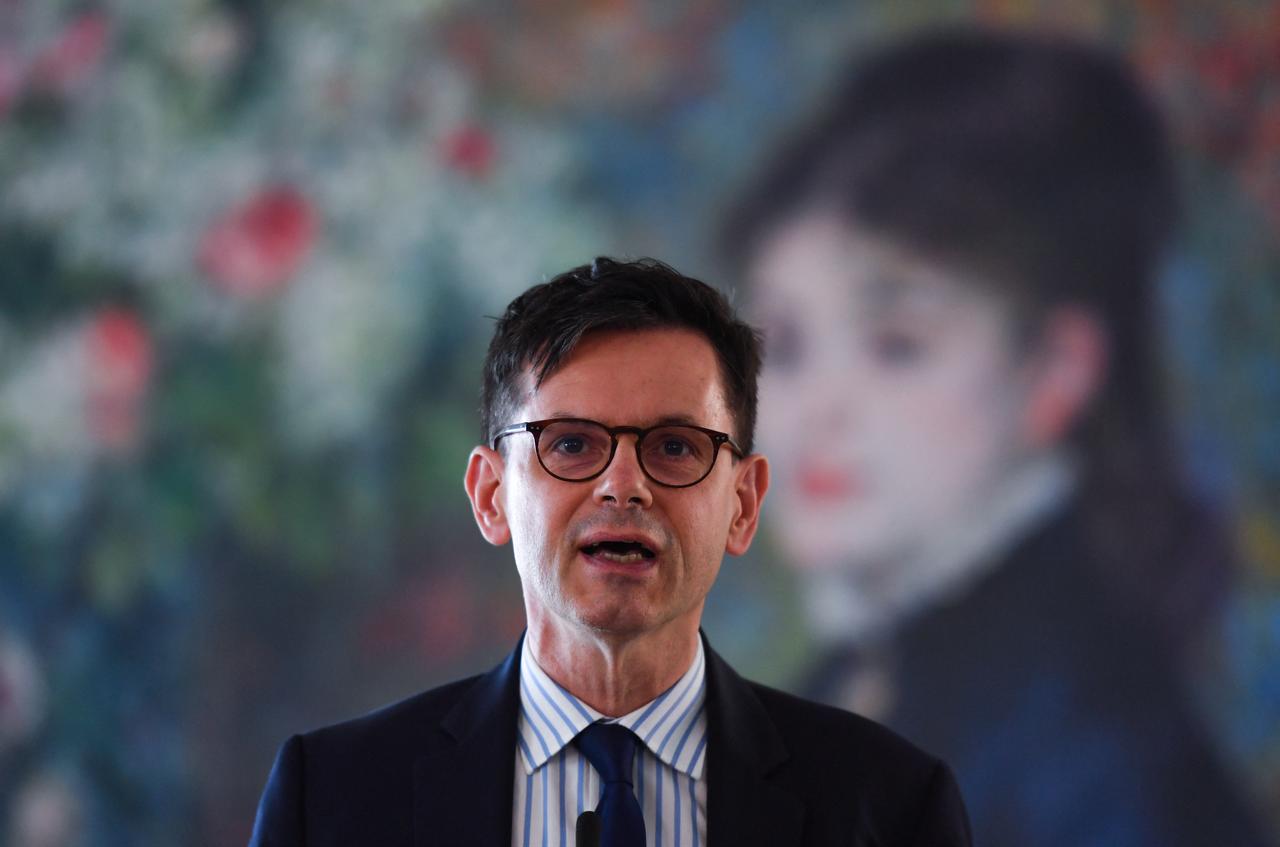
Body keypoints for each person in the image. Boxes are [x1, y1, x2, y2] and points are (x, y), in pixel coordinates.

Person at [727, 27, 1271, 847]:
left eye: (897, 345)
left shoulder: (1092, 741)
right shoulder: (857, 673)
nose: (817, 410)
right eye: (789, 345)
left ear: (1055, 371)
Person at [247, 257, 973, 846]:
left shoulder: (890, 805)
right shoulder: (333, 796)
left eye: (676, 447)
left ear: (744, 504)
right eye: (570, 443)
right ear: (491, 495)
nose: (623, 486)